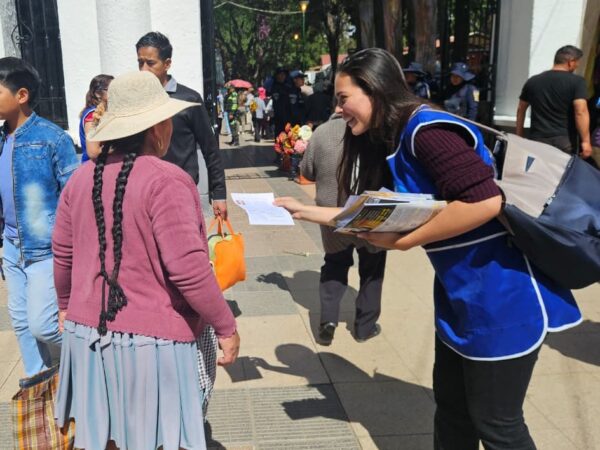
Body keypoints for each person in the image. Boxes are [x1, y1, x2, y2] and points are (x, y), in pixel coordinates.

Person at [275, 48, 582, 450]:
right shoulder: (395, 137)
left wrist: (406, 240)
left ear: (374, 89)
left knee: (497, 425)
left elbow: (485, 202)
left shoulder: (425, 131)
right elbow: (378, 212)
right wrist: (306, 211)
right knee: (453, 411)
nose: (337, 108)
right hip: (460, 295)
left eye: (343, 97)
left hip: (503, 295)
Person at [52, 71, 240, 450]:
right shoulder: (168, 180)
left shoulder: (80, 178)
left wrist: (65, 305)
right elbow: (188, 270)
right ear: (158, 128)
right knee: (161, 439)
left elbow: (63, 255)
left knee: (106, 436)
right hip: (154, 345)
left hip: (88, 336)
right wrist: (226, 326)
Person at [0, 57, 79, 377]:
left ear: (21, 95)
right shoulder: (1, 138)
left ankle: (97, 354)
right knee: (21, 322)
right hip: (11, 246)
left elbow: (76, 198)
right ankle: (41, 385)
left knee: (44, 325)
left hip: (46, 249)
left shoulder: (53, 138)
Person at [300, 114, 387, 344]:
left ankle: (328, 321)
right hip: (370, 212)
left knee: (334, 263)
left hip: (332, 214)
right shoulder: (379, 131)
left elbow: (307, 171)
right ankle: (364, 327)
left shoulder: (321, 132)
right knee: (372, 269)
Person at [136, 31, 227, 219]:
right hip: (143, 193)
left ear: (167, 64)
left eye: (150, 63)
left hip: (181, 192)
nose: (144, 70)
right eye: (140, 63)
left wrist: (219, 193)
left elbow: (210, 148)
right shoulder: (135, 100)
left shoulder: (188, 99)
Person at [516, 45, 592, 158]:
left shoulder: (533, 81)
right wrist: (586, 141)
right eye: (577, 63)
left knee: (539, 169)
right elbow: (580, 111)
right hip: (565, 141)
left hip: (538, 139)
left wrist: (519, 135)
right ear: (570, 62)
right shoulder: (577, 82)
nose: (577, 66)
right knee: (563, 169)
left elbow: (521, 109)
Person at [79, 74, 113, 162]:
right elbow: (93, 152)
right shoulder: (92, 115)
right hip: (93, 166)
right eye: (111, 89)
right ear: (97, 93)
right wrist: (120, 148)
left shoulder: (106, 111)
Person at [270, 67, 293, 135]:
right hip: (278, 119)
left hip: (289, 118)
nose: (282, 76)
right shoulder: (274, 87)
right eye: (281, 74)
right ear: (277, 76)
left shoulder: (289, 87)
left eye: (284, 74)